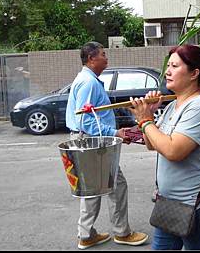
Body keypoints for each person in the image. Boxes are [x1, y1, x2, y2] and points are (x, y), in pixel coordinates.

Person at [128, 44, 200, 250]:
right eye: (168, 65)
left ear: (194, 73)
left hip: (196, 207)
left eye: (175, 66)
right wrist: (150, 116)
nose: (167, 71)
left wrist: (145, 121)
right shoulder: (173, 105)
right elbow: (152, 144)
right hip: (169, 205)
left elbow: (173, 151)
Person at [66, 41, 148, 250]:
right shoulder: (89, 83)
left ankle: (86, 234)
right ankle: (121, 232)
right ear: (92, 58)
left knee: (93, 188)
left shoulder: (87, 79)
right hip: (93, 141)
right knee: (116, 186)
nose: (106, 57)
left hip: (89, 141)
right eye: (103, 54)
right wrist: (114, 133)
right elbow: (85, 119)